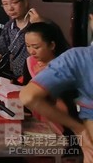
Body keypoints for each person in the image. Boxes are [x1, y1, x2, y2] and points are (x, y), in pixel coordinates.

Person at [21, 22, 93, 162]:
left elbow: (29, 96)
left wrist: (78, 130)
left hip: (67, 131)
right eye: (28, 46)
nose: (31, 51)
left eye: (36, 47)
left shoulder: (71, 63)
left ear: (52, 45)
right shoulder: (29, 63)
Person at [0, 0, 42, 80]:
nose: (10, 8)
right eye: (5, 4)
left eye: (14, 3)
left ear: (25, 2)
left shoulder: (39, 24)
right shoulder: (9, 26)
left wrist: (40, 26)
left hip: (37, 80)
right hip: (16, 79)